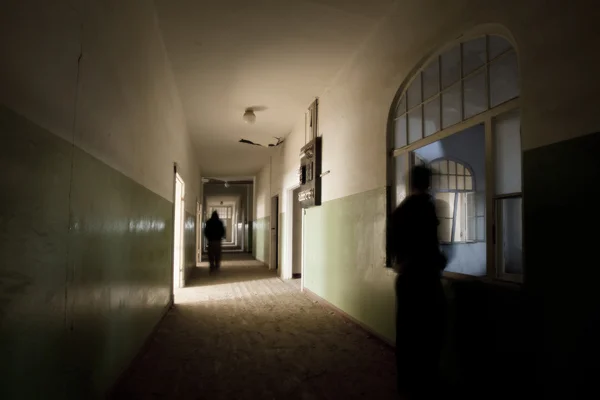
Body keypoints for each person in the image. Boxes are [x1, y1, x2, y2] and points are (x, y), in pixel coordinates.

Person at [387, 165, 447, 399]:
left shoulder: (399, 211)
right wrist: (438, 261)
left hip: (406, 279)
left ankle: (406, 383)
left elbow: (393, 252)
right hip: (426, 279)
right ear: (428, 183)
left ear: (411, 183)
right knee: (430, 333)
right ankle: (426, 382)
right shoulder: (427, 208)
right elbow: (431, 248)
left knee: (407, 333)